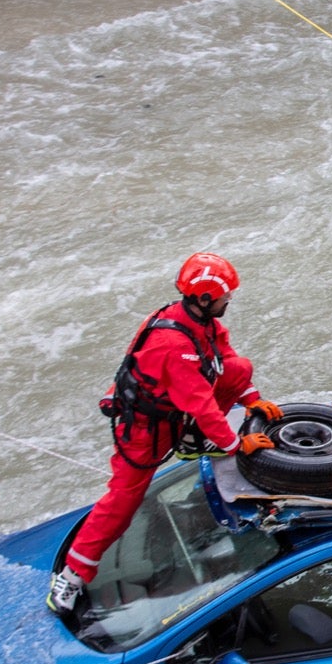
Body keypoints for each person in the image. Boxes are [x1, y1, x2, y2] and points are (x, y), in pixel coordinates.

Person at [47, 253, 283, 614]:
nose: (229, 301)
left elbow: (224, 355)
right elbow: (201, 404)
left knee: (239, 368)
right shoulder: (174, 346)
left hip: (173, 414)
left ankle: (192, 442)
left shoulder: (194, 320)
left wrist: (250, 397)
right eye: (225, 296)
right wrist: (237, 445)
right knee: (121, 504)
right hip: (144, 432)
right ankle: (73, 575)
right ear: (204, 298)